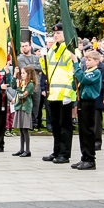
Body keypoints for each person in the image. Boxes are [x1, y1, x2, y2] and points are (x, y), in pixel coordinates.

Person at [40, 23, 76, 164]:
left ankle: (64, 153)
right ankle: (56, 151)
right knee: (55, 124)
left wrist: (68, 92)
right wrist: (42, 59)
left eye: (59, 33)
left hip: (65, 94)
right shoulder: (53, 49)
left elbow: (72, 72)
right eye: (54, 33)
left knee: (65, 125)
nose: (55, 35)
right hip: (53, 93)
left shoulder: (70, 50)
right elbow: (47, 70)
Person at [70, 50, 102, 169]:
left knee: (88, 131)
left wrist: (75, 64)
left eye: (89, 60)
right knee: (82, 131)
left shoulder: (95, 73)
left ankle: (90, 159)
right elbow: (76, 85)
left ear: (96, 61)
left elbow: (84, 80)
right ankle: (84, 157)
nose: (87, 62)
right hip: (82, 101)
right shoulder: (86, 71)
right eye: (86, 60)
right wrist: (75, 75)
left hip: (89, 102)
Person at [10, 66, 37, 157]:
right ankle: (21, 149)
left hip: (25, 108)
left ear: (29, 74)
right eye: (21, 73)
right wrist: (15, 75)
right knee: (21, 129)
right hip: (19, 107)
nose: (22, 75)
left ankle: (27, 150)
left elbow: (22, 95)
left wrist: (18, 87)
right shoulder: (21, 82)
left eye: (23, 73)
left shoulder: (30, 85)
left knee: (25, 129)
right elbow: (12, 85)